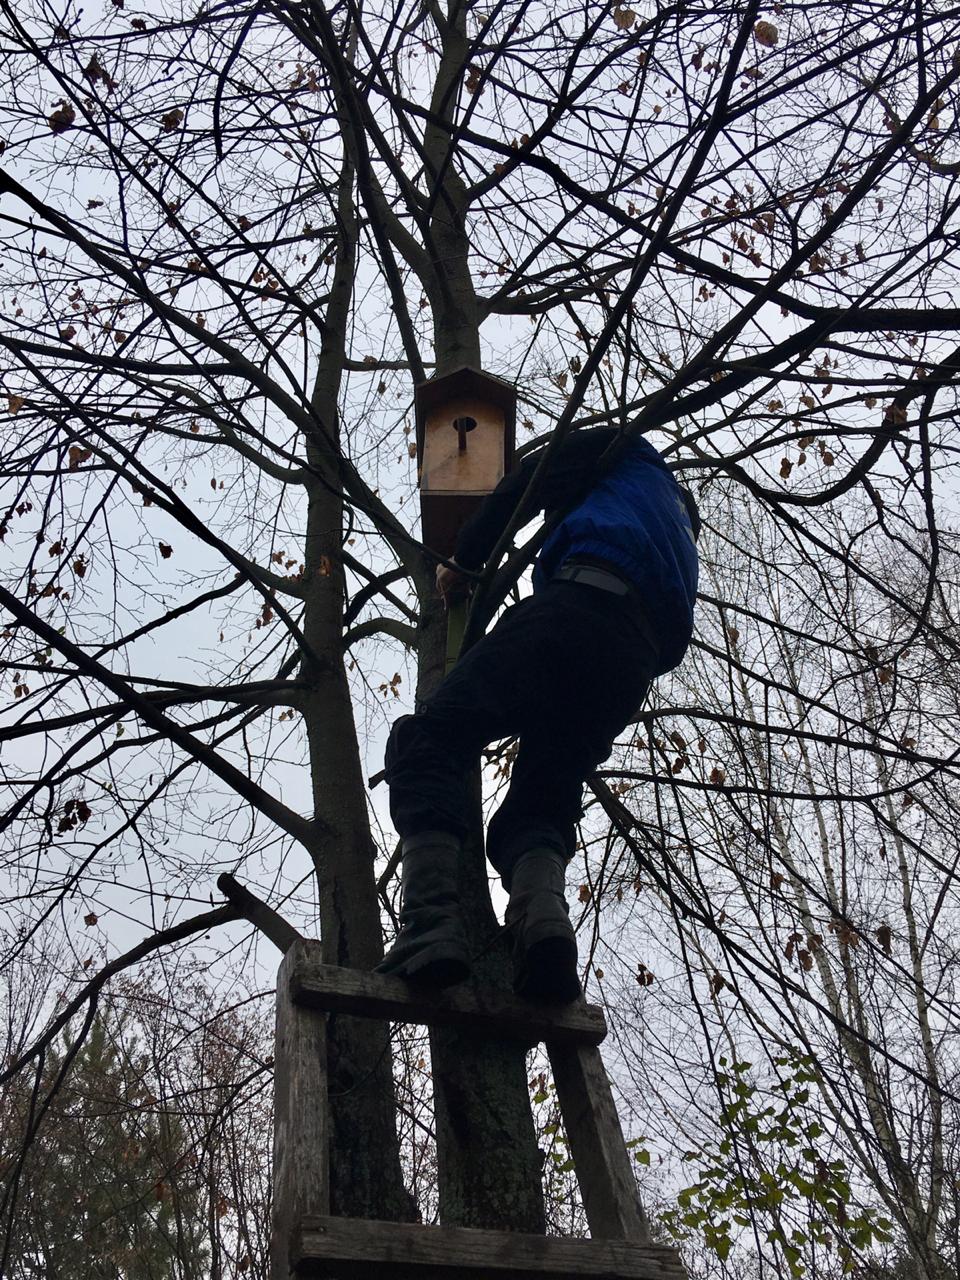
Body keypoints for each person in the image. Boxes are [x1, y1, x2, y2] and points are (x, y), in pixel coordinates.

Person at [377, 426, 700, 1003]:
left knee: (429, 738)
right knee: (543, 797)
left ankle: (430, 926)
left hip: (579, 604)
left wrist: (466, 557)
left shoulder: (625, 449)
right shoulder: (674, 526)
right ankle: (543, 931)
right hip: (632, 665)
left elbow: (533, 477)